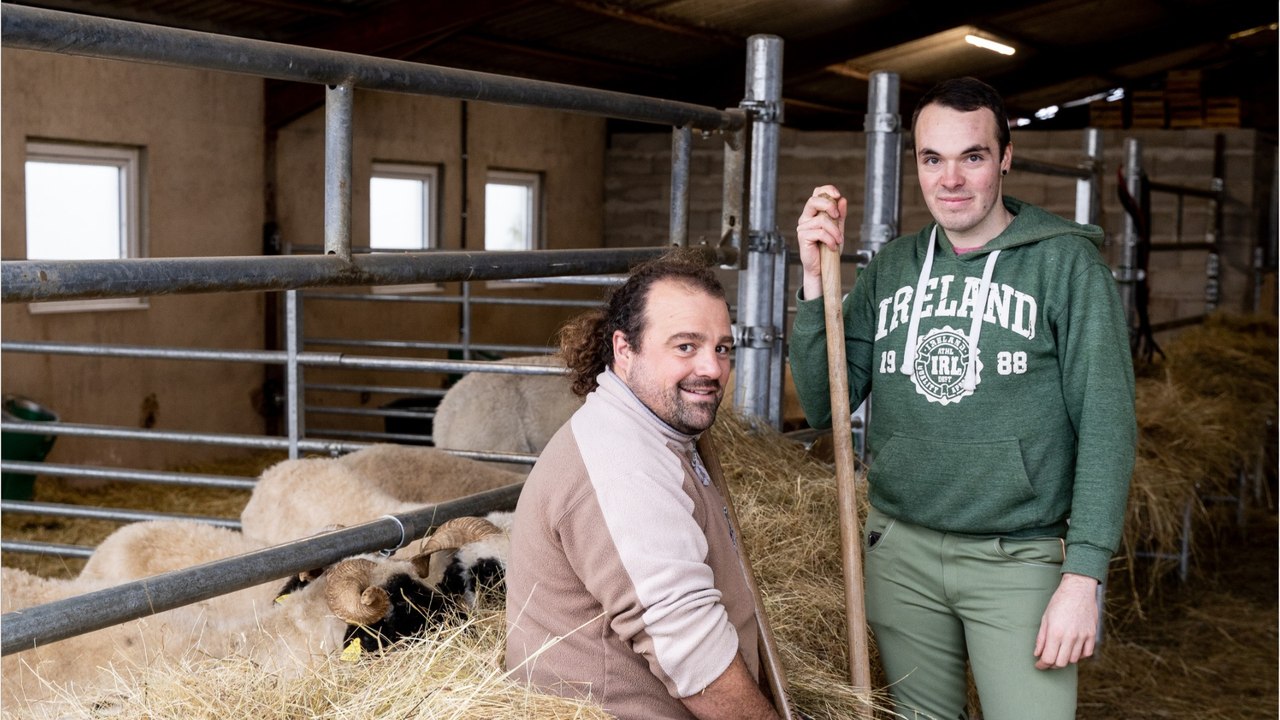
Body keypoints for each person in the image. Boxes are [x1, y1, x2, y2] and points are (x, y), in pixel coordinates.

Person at [789, 76, 1136, 720]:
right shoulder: (893, 267)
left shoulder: (1065, 267)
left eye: (972, 156)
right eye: (932, 159)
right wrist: (815, 281)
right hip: (900, 551)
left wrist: (1084, 576)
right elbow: (823, 404)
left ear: (1004, 157)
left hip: (1019, 559)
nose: (951, 179)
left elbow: (1108, 425)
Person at [504, 249, 780, 720]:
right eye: (685, 346)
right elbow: (692, 655)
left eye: (722, 347)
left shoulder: (660, 432)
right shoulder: (622, 464)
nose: (713, 369)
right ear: (624, 350)